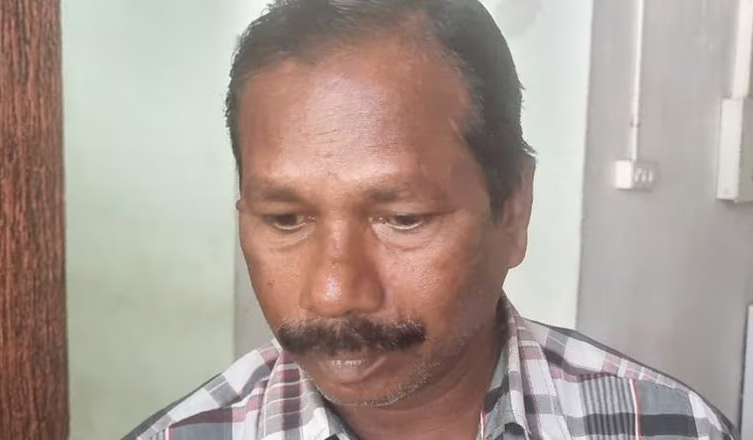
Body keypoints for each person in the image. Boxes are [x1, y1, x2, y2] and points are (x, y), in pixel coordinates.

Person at [124, 0, 737, 439]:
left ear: (513, 210)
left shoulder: (664, 427)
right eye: (285, 220)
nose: (333, 292)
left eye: (403, 218)